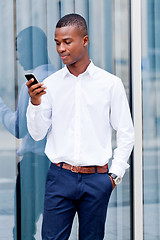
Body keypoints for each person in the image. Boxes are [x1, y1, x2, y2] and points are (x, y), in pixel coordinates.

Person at [26, 13, 134, 240]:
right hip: (60, 177)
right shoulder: (51, 85)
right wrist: (35, 104)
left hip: (97, 179)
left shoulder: (110, 84)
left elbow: (126, 131)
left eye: (67, 42)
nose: (61, 49)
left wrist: (115, 175)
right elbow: (37, 134)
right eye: (57, 43)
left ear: (84, 41)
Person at [0, 26, 55, 239]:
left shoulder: (32, 82)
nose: (17, 57)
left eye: (19, 48)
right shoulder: (58, 77)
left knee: (24, 228)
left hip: (33, 165)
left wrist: (2, 109)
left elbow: (19, 129)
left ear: (33, 48)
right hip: (56, 166)